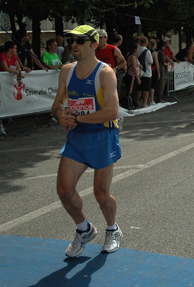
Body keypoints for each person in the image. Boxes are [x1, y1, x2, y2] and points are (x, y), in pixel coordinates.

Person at [52, 25, 123, 257]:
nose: (74, 45)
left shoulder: (105, 73)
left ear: (94, 45)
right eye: (72, 41)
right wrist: (60, 114)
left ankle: (112, 229)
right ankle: (83, 229)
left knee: (101, 194)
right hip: (78, 137)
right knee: (64, 189)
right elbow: (57, 104)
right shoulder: (66, 71)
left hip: (103, 136)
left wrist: (79, 117)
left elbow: (112, 111)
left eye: (80, 41)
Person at [0, 40, 29, 135]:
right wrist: (17, 72)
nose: (16, 50)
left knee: (7, 99)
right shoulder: (2, 56)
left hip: (7, 82)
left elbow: (18, 67)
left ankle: (5, 118)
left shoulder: (13, 56)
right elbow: (6, 68)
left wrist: (19, 70)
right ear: (10, 49)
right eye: (14, 48)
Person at [41, 38, 63, 124]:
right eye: (54, 45)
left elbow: (59, 65)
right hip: (49, 78)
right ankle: (50, 115)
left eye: (56, 45)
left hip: (56, 78)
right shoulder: (46, 54)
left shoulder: (55, 55)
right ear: (49, 46)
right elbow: (46, 65)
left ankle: (56, 114)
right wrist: (59, 65)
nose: (55, 47)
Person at [123, 42, 141, 109]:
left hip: (132, 75)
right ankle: (129, 105)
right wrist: (137, 77)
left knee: (133, 90)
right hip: (132, 76)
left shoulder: (130, 55)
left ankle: (131, 104)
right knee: (131, 91)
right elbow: (133, 67)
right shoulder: (132, 57)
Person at [136, 37, 154, 108]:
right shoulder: (147, 51)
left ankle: (136, 102)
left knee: (139, 89)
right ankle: (144, 103)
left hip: (138, 71)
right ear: (146, 42)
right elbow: (150, 62)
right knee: (146, 89)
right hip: (146, 72)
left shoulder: (137, 49)